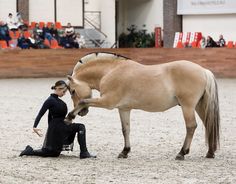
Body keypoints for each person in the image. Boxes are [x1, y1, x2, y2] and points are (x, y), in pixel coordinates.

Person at [20, 80, 96, 158]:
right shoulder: (49, 101)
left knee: (54, 153)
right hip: (57, 127)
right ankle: (84, 153)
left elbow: (52, 116)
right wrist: (35, 126)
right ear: (58, 88)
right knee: (80, 127)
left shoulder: (59, 101)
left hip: (61, 125)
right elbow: (40, 114)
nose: (64, 93)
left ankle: (29, 151)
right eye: (63, 91)